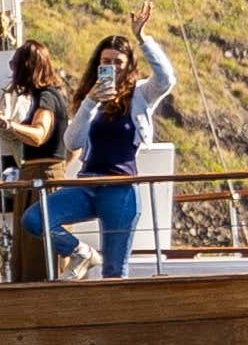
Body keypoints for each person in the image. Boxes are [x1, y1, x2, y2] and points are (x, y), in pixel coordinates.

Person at [31, 15, 176, 280]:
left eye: (118, 62)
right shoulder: (91, 99)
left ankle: (116, 320)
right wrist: (90, 102)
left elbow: (166, 79)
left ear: (128, 66)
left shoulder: (142, 94)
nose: (112, 67)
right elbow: (72, 142)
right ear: (98, 65)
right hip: (86, 185)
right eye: (106, 62)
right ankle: (81, 252)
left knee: (114, 272)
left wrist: (143, 38)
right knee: (34, 219)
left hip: (121, 189)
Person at [0, 40, 67, 281]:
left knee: (38, 249)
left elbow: (39, 134)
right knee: (28, 246)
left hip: (43, 179)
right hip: (33, 177)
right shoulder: (44, 97)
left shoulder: (47, 97)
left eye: (15, 65)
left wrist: (11, 125)